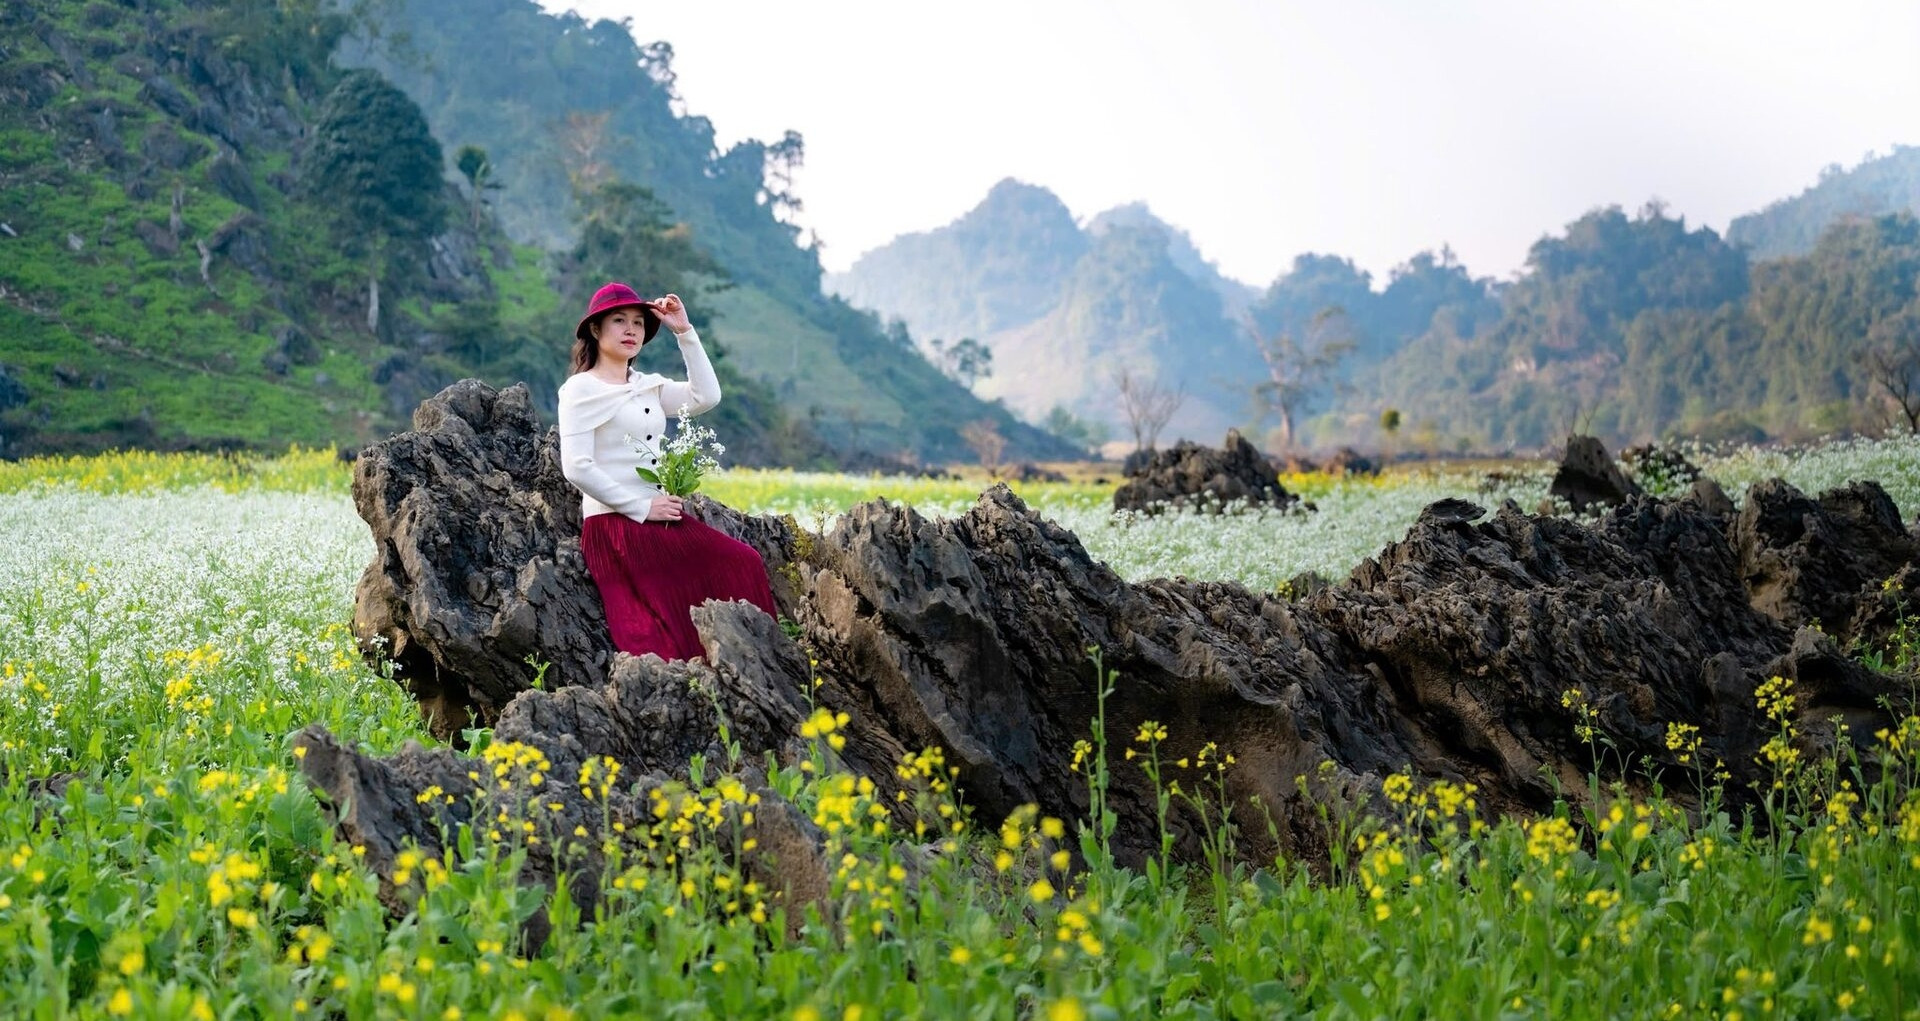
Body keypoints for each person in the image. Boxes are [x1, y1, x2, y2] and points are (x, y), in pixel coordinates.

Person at [557, 281, 778, 660]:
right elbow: (576, 466)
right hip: (615, 526)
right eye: (619, 321)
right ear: (595, 329)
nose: (631, 330)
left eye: (638, 323)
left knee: (744, 563)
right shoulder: (580, 389)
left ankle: (753, 665)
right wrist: (642, 508)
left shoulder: (647, 386)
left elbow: (706, 396)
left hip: (660, 519)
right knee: (657, 634)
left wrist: (684, 332)